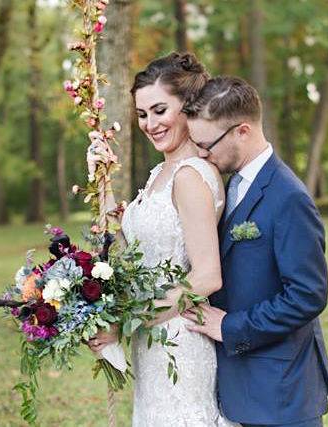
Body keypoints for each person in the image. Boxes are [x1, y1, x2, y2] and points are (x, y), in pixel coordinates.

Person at [88, 52, 238, 426]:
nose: (150, 124)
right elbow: (135, 251)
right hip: (153, 340)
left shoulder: (189, 176)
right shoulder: (162, 171)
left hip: (178, 340)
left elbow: (206, 277)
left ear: (187, 107)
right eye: (142, 115)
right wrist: (103, 181)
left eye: (159, 111)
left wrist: (124, 322)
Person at [182, 76, 328, 427]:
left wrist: (231, 326)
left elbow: (307, 295)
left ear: (242, 131)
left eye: (207, 144)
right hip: (239, 389)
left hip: (280, 394)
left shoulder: (289, 197)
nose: (202, 154)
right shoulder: (225, 187)